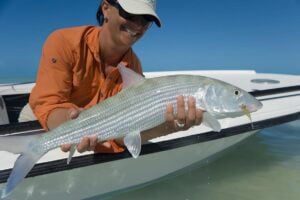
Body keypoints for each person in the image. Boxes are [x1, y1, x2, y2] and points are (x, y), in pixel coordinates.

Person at [26, 0, 203, 154]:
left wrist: (170, 126)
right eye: (130, 14)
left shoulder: (134, 69)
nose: (138, 26)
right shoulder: (64, 42)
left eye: (146, 20)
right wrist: (76, 124)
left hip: (95, 134)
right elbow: (47, 105)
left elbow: (124, 133)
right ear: (105, 8)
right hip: (39, 120)